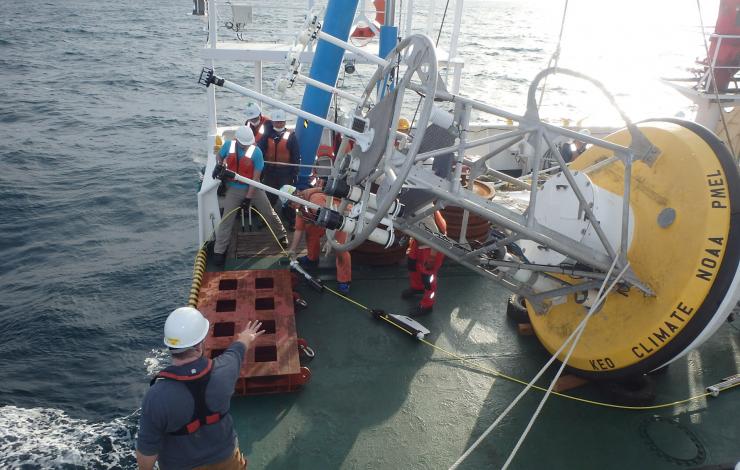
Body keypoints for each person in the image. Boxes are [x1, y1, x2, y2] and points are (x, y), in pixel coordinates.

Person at [136, 307, 265, 470]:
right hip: (227, 459)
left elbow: (146, 454)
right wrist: (247, 337)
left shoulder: (156, 397)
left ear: (170, 347)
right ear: (198, 347)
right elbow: (238, 349)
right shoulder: (226, 369)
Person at [213, 126, 288, 266]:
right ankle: (219, 250)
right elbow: (219, 155)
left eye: (248, 144)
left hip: (253, 188)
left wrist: (248, 198)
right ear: (237, 140)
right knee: (226, 219)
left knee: (268, 212)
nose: (246, 146)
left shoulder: (257, 152)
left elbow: (255, 179)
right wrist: (219, 164)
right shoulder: (229, 145)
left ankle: (281, 234)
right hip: (234, 188)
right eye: (243, 144)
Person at [286, 178, 352, 294]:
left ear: (296, 194)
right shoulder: (301, 209)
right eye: (288, 205)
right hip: (325, 220)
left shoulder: (315, 201)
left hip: (341, 219)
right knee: (310, 231)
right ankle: (312, 258)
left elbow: (333, 218)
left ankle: (344, 280)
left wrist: (330, 240)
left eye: (290, 202)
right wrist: (292, 250)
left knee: (339, 248)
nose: (291, 206)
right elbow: (298, 230)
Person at [402, 211, 447, 316]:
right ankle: (417, 287)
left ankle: (427, 305)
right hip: (420, 240)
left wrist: (432, 257)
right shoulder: (412, 204)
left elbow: (436, 238)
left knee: (428, 278)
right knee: (412, 263)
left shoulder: (424, 213)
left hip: (434, 246)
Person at [258, 109, 301, 206]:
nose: (279, 124)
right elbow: (260, 149)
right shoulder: (267, 135)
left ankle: (289, 216)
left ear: (285, 122)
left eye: (281, 122)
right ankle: (268, 217)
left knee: (287, 198)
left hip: (285, 173)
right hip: (269, 173)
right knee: (269, 197)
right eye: (277, 122)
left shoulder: (291, 137)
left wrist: (295, 173)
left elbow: (296, 156)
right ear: (272, 122)